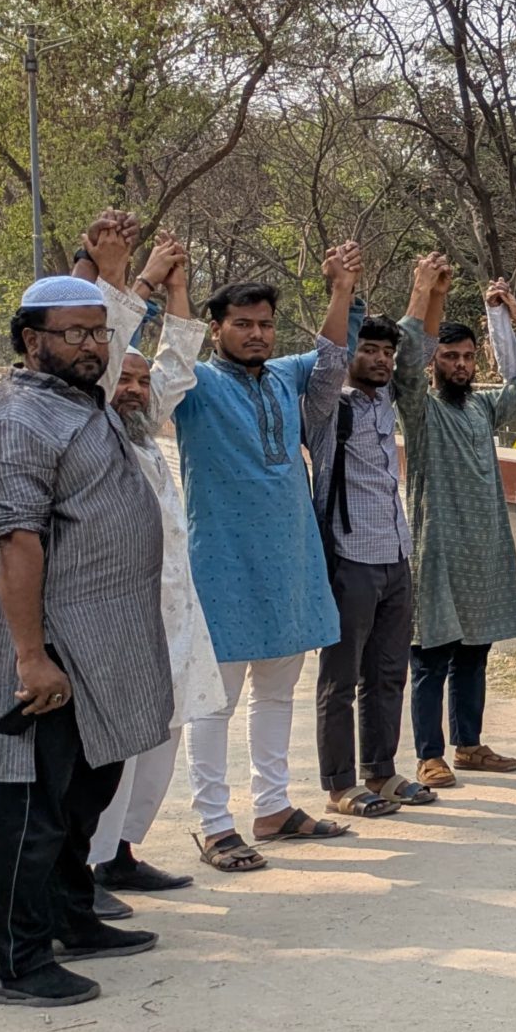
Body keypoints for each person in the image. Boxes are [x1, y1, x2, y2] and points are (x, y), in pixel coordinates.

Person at [0, 276, 173, 1005]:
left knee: (88, 785)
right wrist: (30, 657)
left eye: (99, 333)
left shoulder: (80, 401)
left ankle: (70, 919)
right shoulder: (21, 422)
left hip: (107, 635)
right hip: (50, 640)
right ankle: (17, 963)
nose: (91, 347)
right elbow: (19, 544)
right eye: (74, 335)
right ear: (31, 341)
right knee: (34, 800)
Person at [171, 241, 364, 869]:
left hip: (289, 559)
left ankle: (274, 807)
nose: (256, 334)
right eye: (243, 324)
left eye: (264, 324)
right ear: (217, 328)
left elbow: (335, 356)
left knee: (277, 694)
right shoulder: (195, 383)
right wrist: (173, 293)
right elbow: (163, 368)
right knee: (214, 700)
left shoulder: (285, 375)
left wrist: (341, 290)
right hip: (221, 562)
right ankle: (213, 822)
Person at [82, 222, 223, 896]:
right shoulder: (91, 428)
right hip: (118, 620)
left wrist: (180, 289)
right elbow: (106, 352)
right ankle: (86, 867)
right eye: (125, 379)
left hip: (169, 620)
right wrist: (130, 282)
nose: (136, 387)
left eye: (142, 382)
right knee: (115, 748)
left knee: (161, 743)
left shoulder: (143, 429)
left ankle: (121, 854)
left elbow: (177, 363)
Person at [396, 255, 516, 785]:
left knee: (473, 653)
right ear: (434, 362)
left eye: (466, 357)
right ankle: (428, 755)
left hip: (483, 554)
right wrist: (426, 295)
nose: (459, 365)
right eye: (449, 357)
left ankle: (470, 744)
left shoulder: (482, 410)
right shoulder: (421, 410)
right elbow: (403, 365)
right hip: (436, 552)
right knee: (431, 656)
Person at [309, 314, 434, 818]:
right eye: (370, 350)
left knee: (388, 674)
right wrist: (342, 292)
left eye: (387, 351)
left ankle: (380, 771)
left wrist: (429, 291)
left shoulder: (385, 398)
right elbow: (325, 356)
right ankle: (339, 785)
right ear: (349, 354)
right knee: (340, 679)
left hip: (395, 555)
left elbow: (419, 346)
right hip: (348, 556)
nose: (381, 359)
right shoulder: (325, 407)